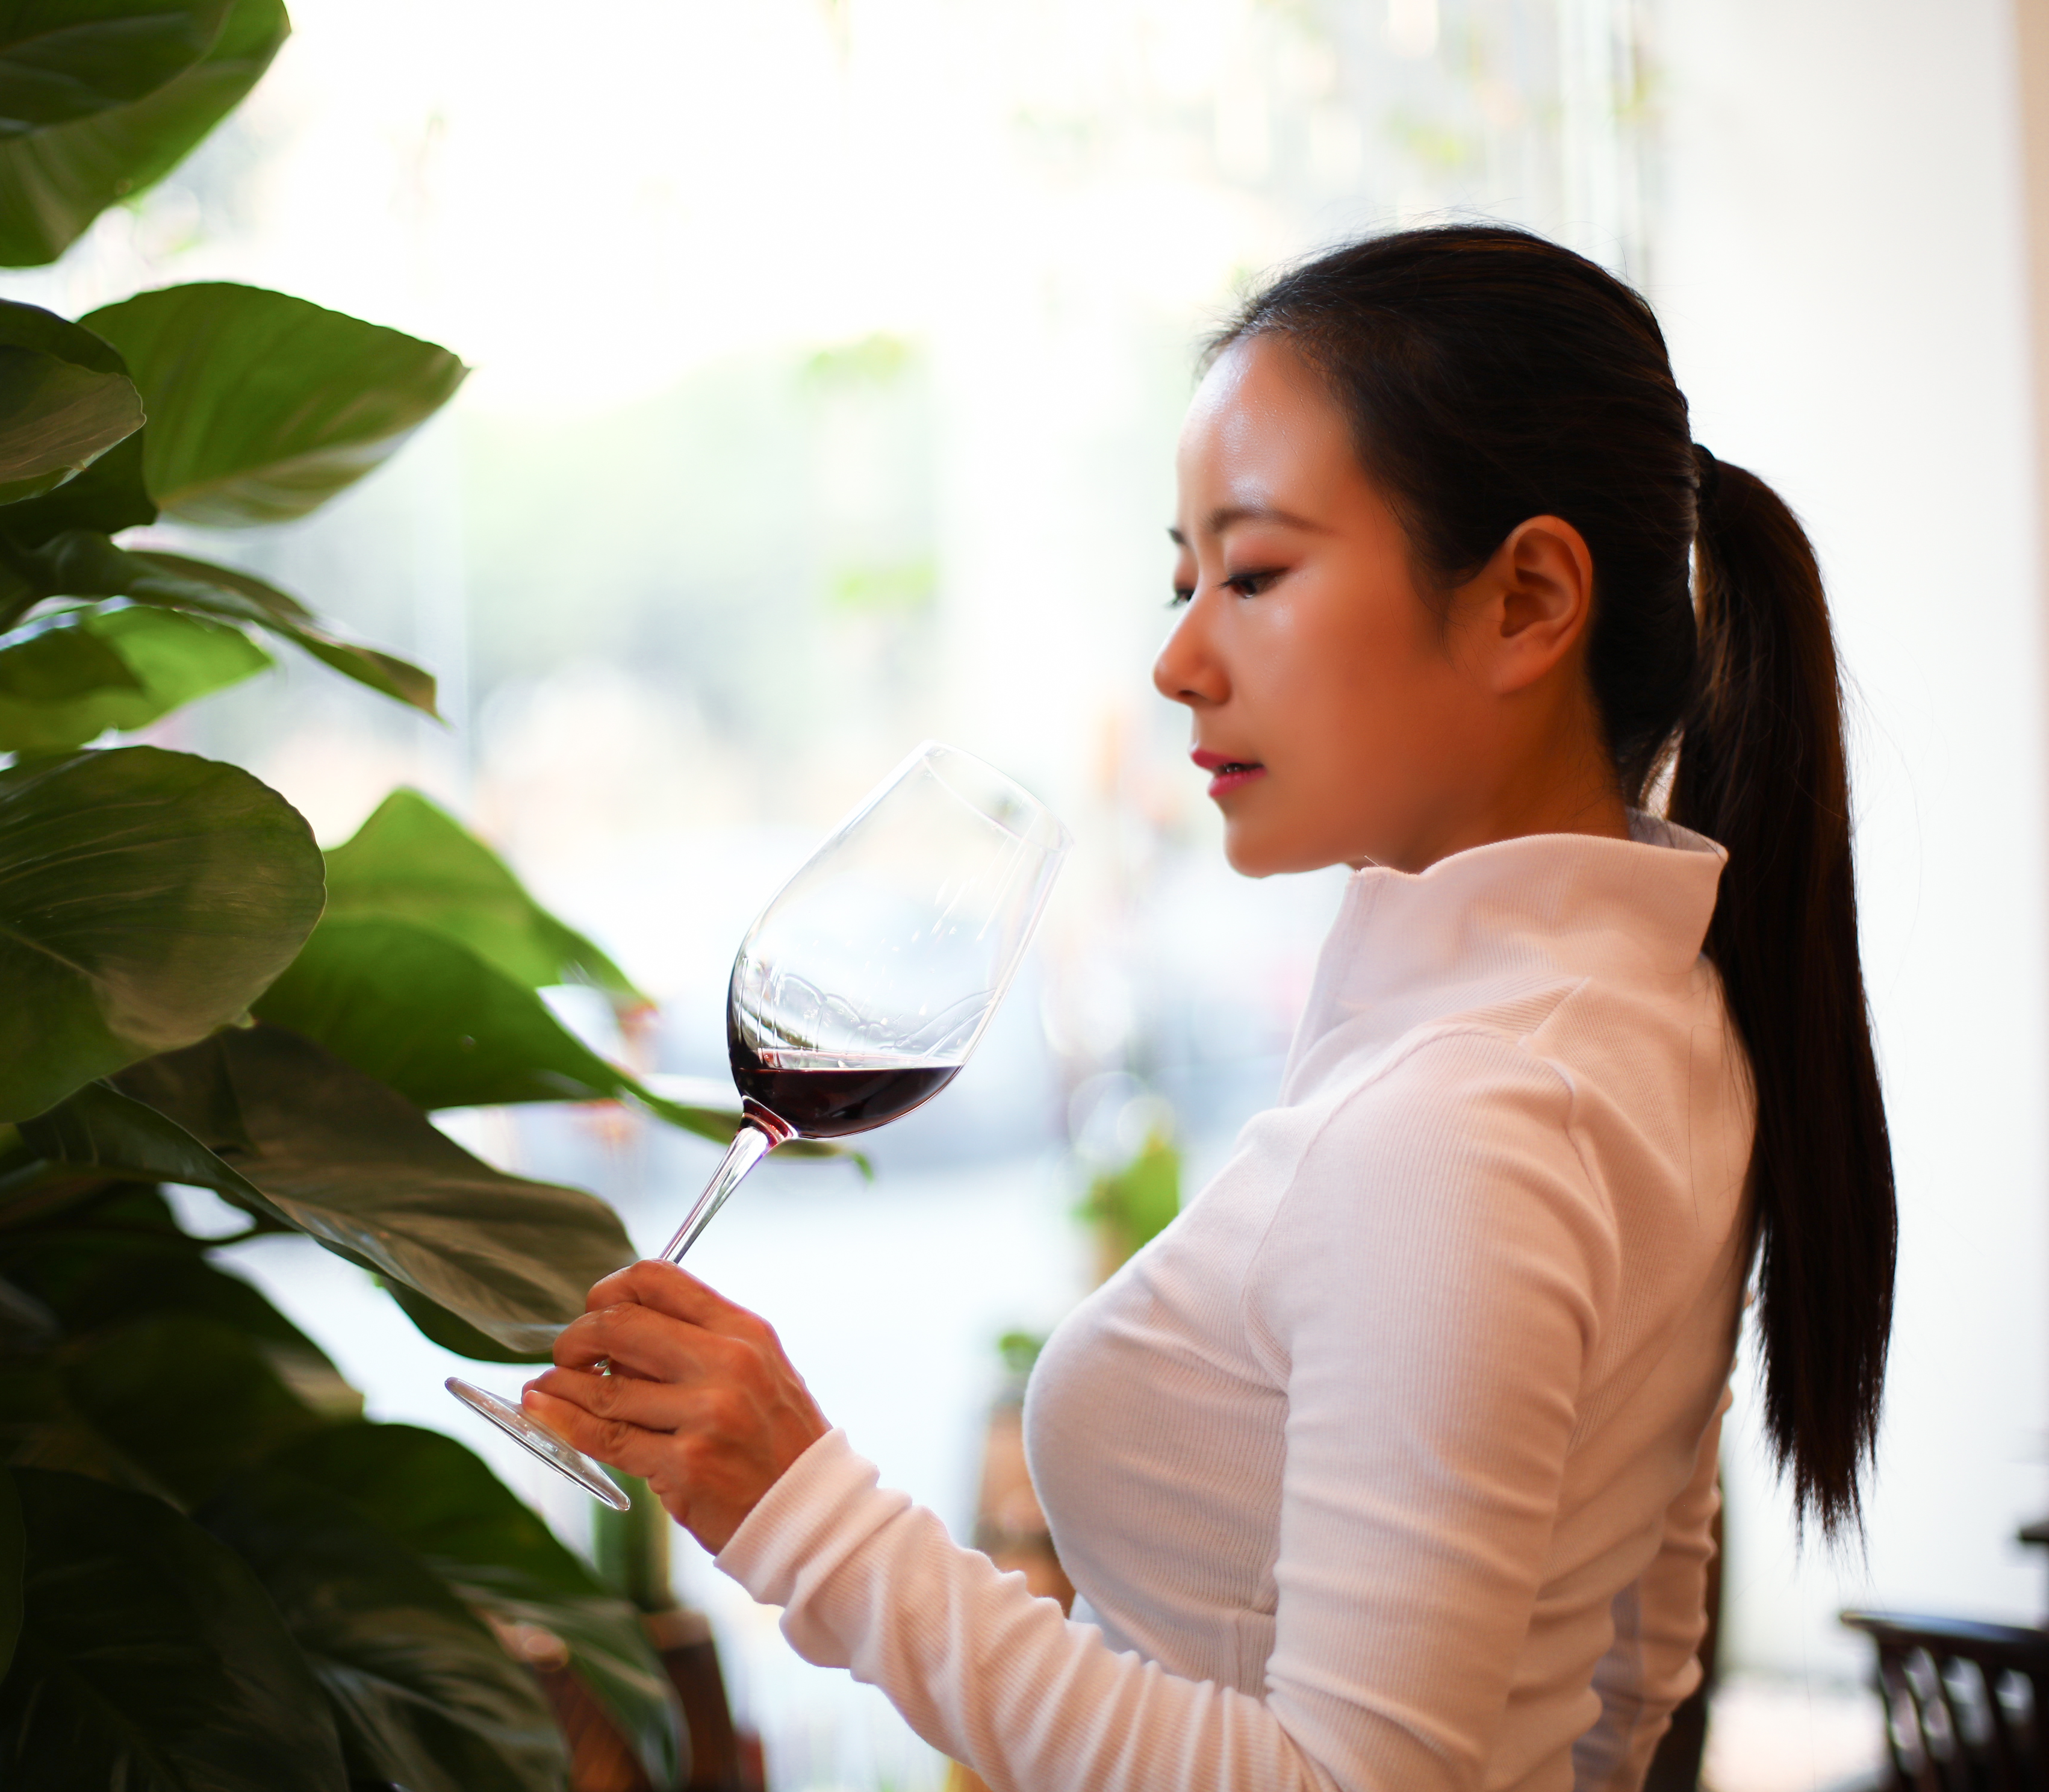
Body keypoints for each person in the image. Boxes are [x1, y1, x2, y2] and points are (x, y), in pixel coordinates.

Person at [520, 225, 1898, 1791]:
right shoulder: (1667, 1025)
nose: (1178, 660)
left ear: (1526, 599)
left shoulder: (1464, 1119)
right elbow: (1631, 1681)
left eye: (1253, 574)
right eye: (1185, 582)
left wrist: (806, 1515)